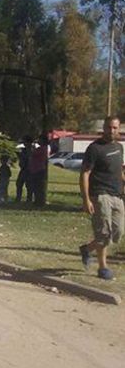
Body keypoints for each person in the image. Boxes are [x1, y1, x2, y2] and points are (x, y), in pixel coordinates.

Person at [78, 117, 125, 280]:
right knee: (104, 233)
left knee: (118, 232)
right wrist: (86, 199)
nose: (111, 131)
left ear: (119, 129)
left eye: (115, 128)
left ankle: (87, 249)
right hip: (99, 195)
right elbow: (85, 174)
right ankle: (103, 267)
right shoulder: (94, 148)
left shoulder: (119, 147)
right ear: (103, 128)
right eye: (109, 127)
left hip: (117, 195)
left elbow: (119, 171)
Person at [15, 134, 32, 202]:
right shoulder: (24, 149)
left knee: (28, 185)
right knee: (19, 184)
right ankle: (18, 198)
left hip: (28, 170)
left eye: (25, 142)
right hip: (23, 169)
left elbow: (29, 158)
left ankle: (29, 199)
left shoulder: (31, 150)